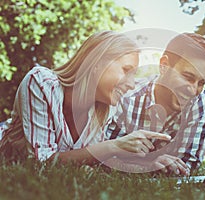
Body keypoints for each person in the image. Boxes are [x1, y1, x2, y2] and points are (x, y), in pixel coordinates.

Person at [0, 31, 171, 164]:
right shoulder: (41, 83)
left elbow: (91, 158)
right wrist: (114, 146)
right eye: (126, 70)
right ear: (95, 63)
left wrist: (149, 162)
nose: (132, 84)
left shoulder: (105, 110)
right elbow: (41, 162)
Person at [104, 33, 205, 176]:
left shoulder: (199, 100)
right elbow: (104, 156)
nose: (194, 90)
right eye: (188, 77)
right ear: (164, 65)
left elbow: (189, 162)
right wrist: (148, 166)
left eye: (201, 83)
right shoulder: (127, 97)